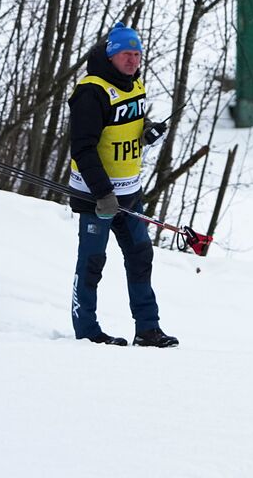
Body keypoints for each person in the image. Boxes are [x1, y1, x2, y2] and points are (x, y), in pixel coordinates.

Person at [67, 22, 177, 348]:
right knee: (92, 263)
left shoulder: (134, 83)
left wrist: (148, 132)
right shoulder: (91, 92)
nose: (133, 61)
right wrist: (102, 193)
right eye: (127, 54)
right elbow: (83, 149)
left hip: (130, 193)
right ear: (112, 55)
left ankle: (148, 329)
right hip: (96, 196)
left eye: (137, 54)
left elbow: (130, 124)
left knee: (141, 256)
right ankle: (87, 330)